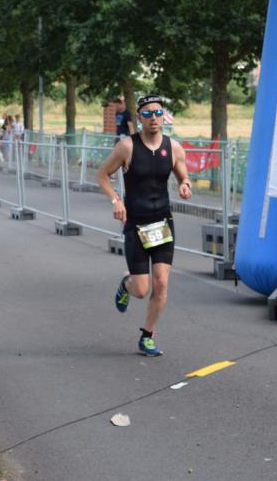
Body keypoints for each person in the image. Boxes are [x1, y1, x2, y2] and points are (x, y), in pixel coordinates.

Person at [96, 94, 192, 357]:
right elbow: (102, 175)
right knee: (141, 289)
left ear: (164, 116)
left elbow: (183, 175)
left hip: (162, 223)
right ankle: (126, 284)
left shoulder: (174, 148)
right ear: (139, 117)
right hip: (136, 224)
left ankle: (147, 335)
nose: (153, 118)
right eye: (147, 114)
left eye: (158, 113)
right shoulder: (127, 146)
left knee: (161, 283)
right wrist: (116, 200)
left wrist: (185, 185)